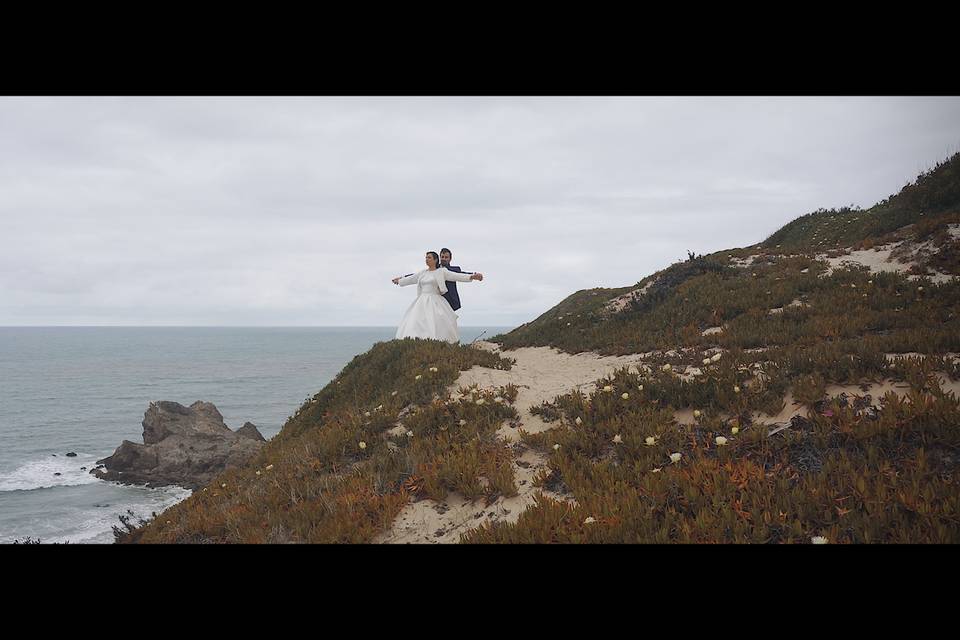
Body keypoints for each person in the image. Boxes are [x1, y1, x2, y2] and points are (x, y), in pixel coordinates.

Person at [392, 251, 483, 343]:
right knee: (416, 323)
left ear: (435, 260)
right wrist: (400, 281)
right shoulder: (423, 273)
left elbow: (457, 276)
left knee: (437, 323)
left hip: (435, 300)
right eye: (426, 257)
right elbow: (411, 278)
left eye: (429, 258)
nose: (426, 259)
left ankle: (437, 344)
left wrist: (472, 276)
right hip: (421, 302)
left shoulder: (441, 272)